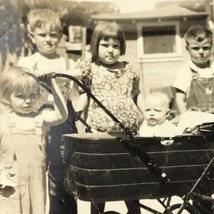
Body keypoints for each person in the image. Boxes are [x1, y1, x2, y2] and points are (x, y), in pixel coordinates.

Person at [75, 21, 144, 214]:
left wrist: (148, 114)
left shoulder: (129, 69)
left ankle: (134, 211)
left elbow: (137, 94)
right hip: (100, 136)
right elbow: (84, 95)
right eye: (105, 45)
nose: (111, 50)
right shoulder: (91, 69)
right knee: (100, 182)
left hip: (127, 135)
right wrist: (78, 112)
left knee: (130, 179)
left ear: (121, 47)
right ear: (96, 46)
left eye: (115, 46)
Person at [17, 9, 81, 214]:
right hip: (35, 120)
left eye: (53, 35)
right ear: (32, 36)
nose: (49, 40)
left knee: (62, 178)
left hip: (64, 123)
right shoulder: (27, 63)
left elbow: (76, 98)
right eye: (43, 35)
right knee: (32, 176)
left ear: (60, 36)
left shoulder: (68, 63)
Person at [0, 66, 68, 214]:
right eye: (20, 96)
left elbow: (61, 115)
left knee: (38, 209)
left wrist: (53, 86)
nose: (28, 101)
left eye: (32, 95)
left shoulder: (40, 118)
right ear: (7, 96)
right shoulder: (3, 121)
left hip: (36, 181)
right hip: (10, 180)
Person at [173, 25, 214, 114]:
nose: (201, 52)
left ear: (211, 47)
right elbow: (179, 100)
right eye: (196, 48)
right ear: (187, 49)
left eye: (205, 48)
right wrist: (186, 120)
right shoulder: (185, 72)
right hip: (195, 121)